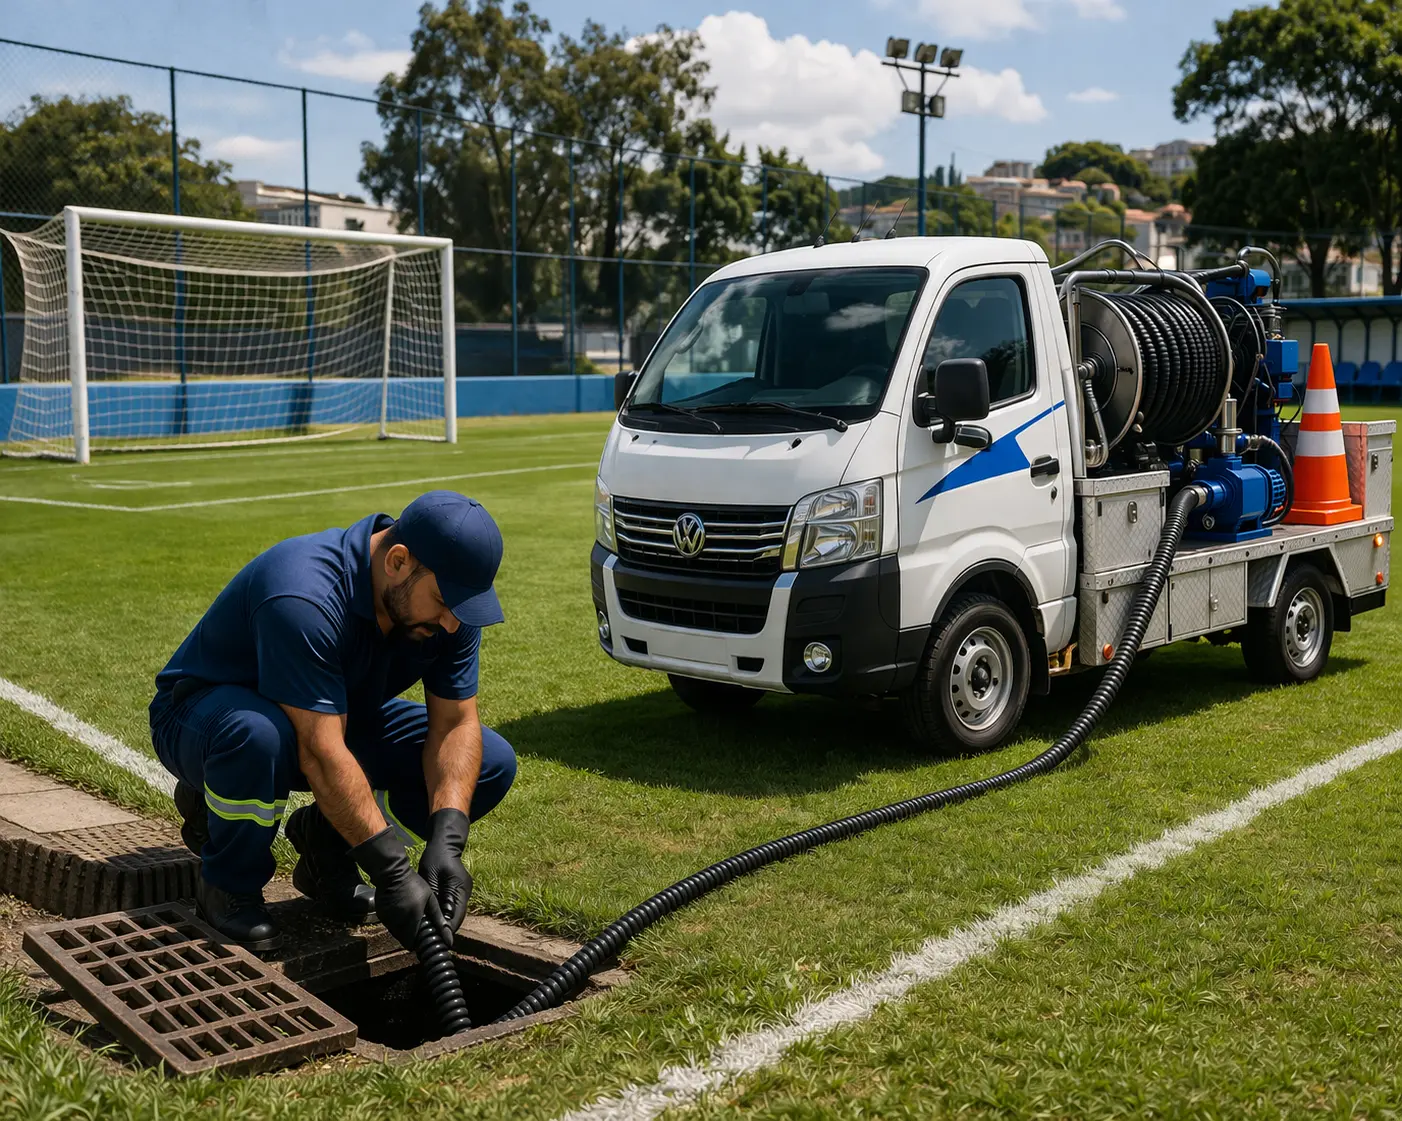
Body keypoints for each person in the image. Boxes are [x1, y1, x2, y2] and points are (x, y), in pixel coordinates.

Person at [148, 491, 517, 953]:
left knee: (491, 761)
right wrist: (392, 871)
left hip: (333, 718)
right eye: (443, 602)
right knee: (258, 736)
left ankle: (324, 845)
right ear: (398, 562)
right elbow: (321, 752)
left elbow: (455, 725)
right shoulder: (304, 593)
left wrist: (448, 841)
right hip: (204, 719)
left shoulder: (449, 607)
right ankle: (227, 882)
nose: (451, 624)